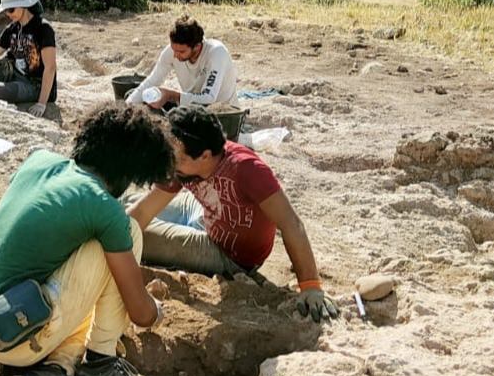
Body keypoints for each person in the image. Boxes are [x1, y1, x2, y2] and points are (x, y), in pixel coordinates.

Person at [0, 102, 174, 376]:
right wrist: (156, 311)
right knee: (125, 232)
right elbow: (141, 314)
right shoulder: (104, 208)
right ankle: (101, 365)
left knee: (93, 252)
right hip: (11, 337)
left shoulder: (40, 161)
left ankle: (53, 374)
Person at [127, 105, 340, 323]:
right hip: (208, 211)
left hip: (228, 254)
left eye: (179, 159)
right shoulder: (184, 164)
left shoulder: (246, 169)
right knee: (126, 206)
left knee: (139, 237)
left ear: (205, 156)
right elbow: (144, 209)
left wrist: (310, 286)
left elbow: (291, 223)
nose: (172, 163)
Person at [126, 15, 235, 112]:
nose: (175, 55)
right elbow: (152, 81)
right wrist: (127, 107)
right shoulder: (173, 51)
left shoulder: (216, 53)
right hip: (191, 109)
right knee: (138, 98)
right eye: (174, 50)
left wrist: (171, 94)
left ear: (197, 46)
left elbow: (208, 99)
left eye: (181, 52)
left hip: (222, 115)